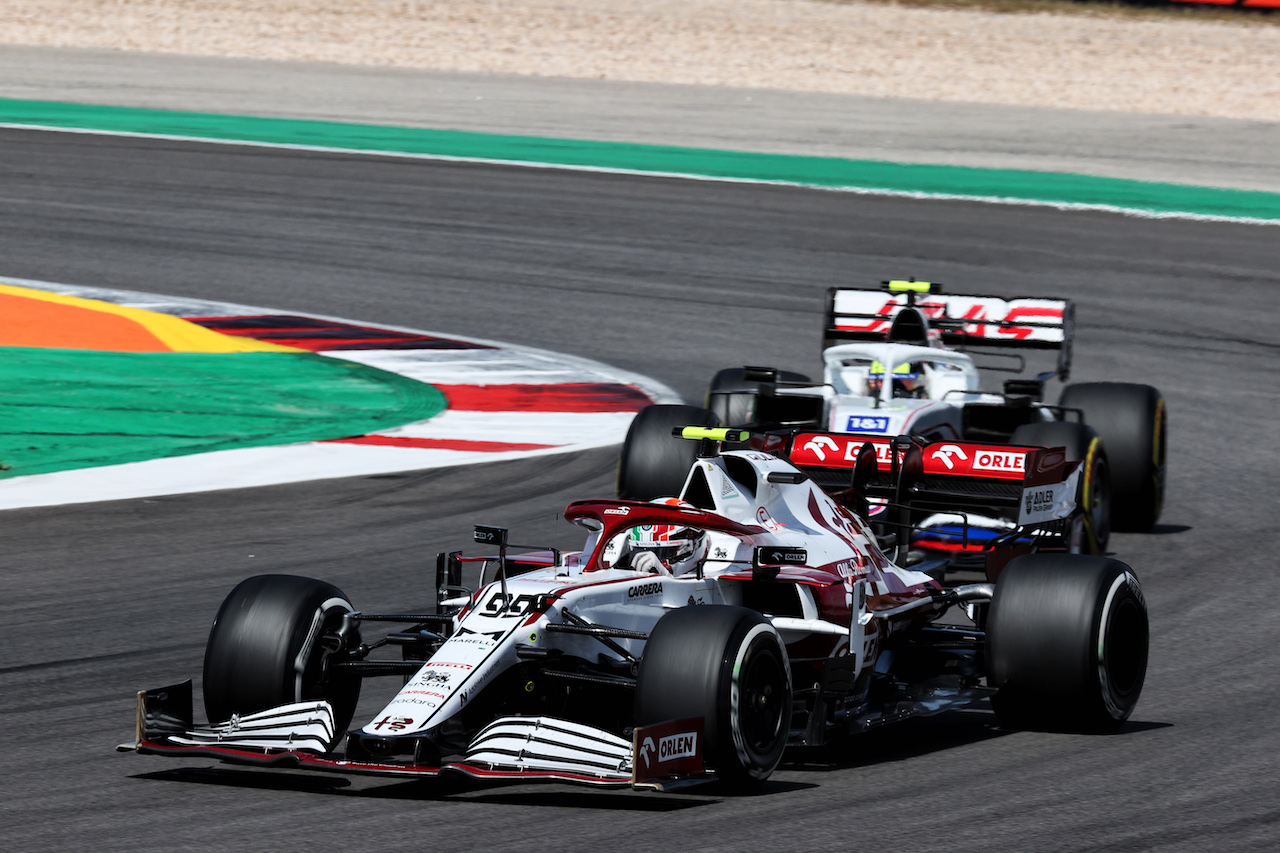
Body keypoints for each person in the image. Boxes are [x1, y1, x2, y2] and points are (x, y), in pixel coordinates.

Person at [620, 498, 709, 576]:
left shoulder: (717, 570)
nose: (647, 562)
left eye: (662, 552)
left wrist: (665, 575)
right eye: (639, 550)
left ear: (691, 547)